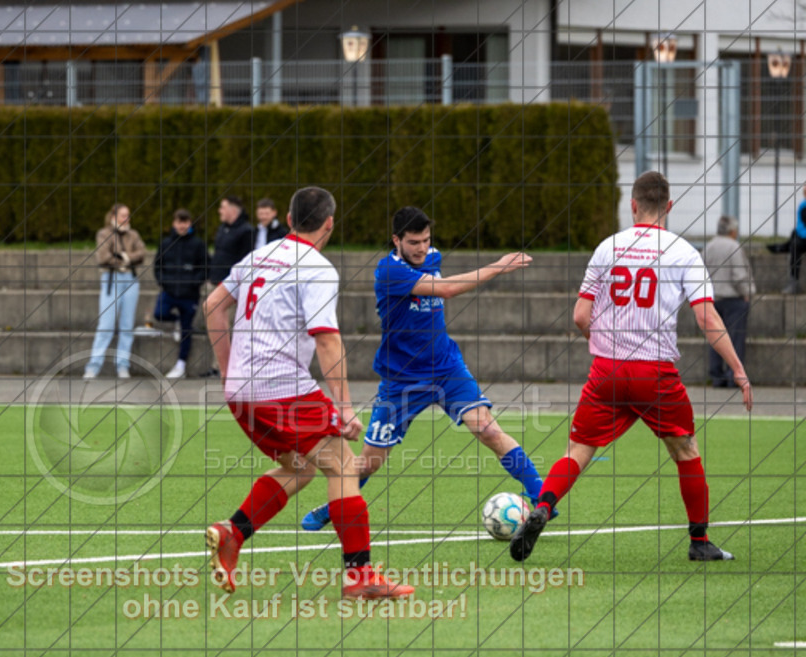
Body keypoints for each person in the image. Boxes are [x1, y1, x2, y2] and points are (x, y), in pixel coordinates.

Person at [510, 171, 753, 564]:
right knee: (686, 450)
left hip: (606, 370)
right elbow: (707, 318)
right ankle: (700, 541)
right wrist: (738, 370)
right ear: (669, 207)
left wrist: (602, 345)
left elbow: (580, 315)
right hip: (654, 372)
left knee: (578, 450)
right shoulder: (683, 252)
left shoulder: (607, 248)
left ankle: (543, 506)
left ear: (633, 204)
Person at [203, 186, 413, 600]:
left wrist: (228, 370)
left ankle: (232, 533)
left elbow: (213, 305)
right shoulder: (316, 267)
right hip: (282, 388)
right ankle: (359, 576)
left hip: (242, 391)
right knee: (345, 467)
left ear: (288, 218)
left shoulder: (257, 256)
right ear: (329, 223)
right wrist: (345, 408)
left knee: (300, 468)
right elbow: (327, 339)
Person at [300, 206, 546, 532]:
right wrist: (498, 266)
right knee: (370, 463)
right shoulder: (389, 271)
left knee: (488, 429)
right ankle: (334, 507)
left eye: (426, 240)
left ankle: (543, 499)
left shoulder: (432, 257)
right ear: (396, 240)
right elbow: (446, 289)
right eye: (413, 242)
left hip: (446, 368)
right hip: (401, 380)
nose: (421, 248)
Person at [83, 203, 146, 380]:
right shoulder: (104, 234)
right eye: (122, 215)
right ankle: (93, 366)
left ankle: (122, 365)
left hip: (131, 281)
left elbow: (141, 253)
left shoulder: (133, 234)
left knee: (127, 326)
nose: (126, 219)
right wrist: (125, 260)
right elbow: (103, 257)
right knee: (106, 326)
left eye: (128, 215)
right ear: (113, 217)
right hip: (112, 280)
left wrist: (123, 257)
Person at [201, 196, 254, 377]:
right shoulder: (223, 229)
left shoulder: (246, 231)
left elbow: (246, 261)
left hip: (231, 288)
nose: (220, 211)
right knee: (214, 325)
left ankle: (228, 368)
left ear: (233, 209)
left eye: (223, 207)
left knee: (228, 326)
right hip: (215, 283)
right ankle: (217, 366)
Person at [152, 208, 208, 379]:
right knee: (159, 314)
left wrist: (193, 283)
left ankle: (181, 364)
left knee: (186, 329)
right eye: (179, 222)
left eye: (185, 222)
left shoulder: (198, 244)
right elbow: (157, 266)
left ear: (189, 223)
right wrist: (164, 282)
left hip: (189, 295)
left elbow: (205, 267)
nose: (182, 226)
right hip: (169, 291)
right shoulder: (166, 243)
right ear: (174, 223)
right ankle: (175, 321)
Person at [703, 215, 755, 388]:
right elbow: (739, 276)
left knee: (715, 339)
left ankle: (717, 377)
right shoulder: (734, 247)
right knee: (735, 340)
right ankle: (733, 376)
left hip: (713, 300)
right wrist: (747, 292)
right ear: (732, 231)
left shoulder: (709, 247)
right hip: (734, 300)